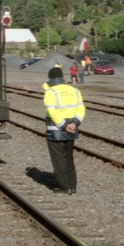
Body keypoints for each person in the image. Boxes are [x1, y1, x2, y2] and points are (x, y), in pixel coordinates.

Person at [43, 67, 85, 195]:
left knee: (59, 160)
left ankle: (64, 187)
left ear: (50, 78)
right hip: (72, 130)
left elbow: (52, 111)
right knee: (69, 159)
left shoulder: (50, 92)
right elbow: (81, 109)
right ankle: (73, 186)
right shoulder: (75, 90)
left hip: (56, 131)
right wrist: (74, 123)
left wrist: (64, 125)